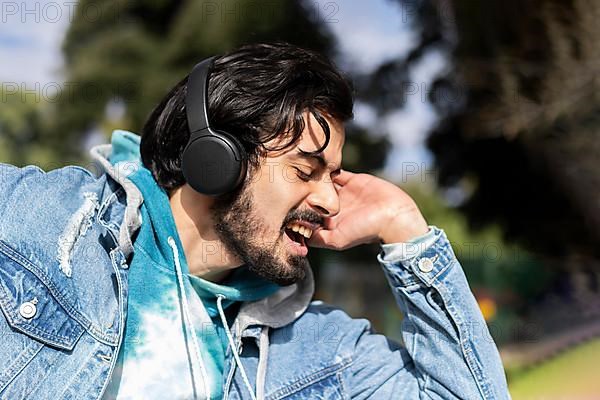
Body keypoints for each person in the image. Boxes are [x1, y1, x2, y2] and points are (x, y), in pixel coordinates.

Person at [0, 42, 509, 399]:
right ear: (215, 158)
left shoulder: (320, 349)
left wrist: (407, 232)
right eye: (306, 171)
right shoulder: (40, 218)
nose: (330, 201)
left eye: (332, 177)